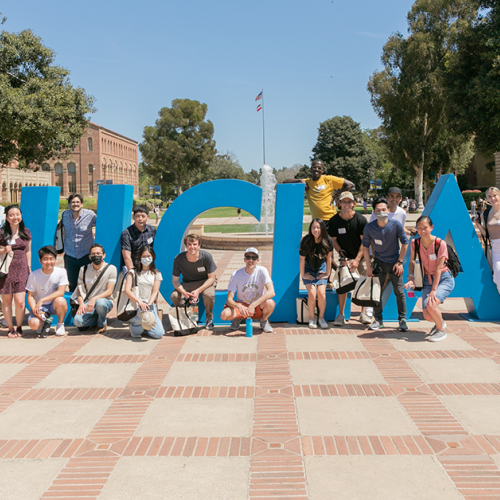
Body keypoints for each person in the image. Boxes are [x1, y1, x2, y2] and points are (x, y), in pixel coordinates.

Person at [405, 216, 455, 342]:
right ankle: (440, 323)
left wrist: (434, 290)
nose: (422, 231)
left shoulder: (440, 244)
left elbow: (438, 268)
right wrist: (410, 278)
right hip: (427, 280)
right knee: (427, 316)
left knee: (431, 305)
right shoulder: (414, 243)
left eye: (425, 228)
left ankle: (441, 331)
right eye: (419, 228)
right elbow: (411, 261)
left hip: (444, 279)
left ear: (431, 228)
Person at [363, 198, 409, 331]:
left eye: (384, 209)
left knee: (399, 292)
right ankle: (378, 320)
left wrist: (400, 262)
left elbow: (405, 243)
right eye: (378, 210)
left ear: (388, 211)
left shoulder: (396, 225)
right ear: (374, 212)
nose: (381, 212)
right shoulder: (369, 227)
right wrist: (369, 266)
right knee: (376, 293)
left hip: (395, 263)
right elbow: (365, 247)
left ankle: (402, 320)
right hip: (379, 264)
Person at [328, 192, 372, 325]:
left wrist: (357, 259)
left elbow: (365, 242)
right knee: (342, 287)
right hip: (345, 258)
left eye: (349, 202)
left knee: (363, 284)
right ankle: (341, 315)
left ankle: (363, 314)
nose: (346, 204)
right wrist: (343, 256)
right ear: (339, 203)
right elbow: (334, 241)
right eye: (344, 202)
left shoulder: (360, 219)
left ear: (354, 204)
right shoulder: (334, 221)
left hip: (361, 257)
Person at [220, 247, 275, 333]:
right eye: (248, 257)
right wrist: (239, 306)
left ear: (257, 260)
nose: (251, 260)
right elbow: (229, 300)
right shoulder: (236, 274)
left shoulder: (262, 270)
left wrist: (253, 305)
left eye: (254, 258)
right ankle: (238, 318)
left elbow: (271, 291)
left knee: (270, 303)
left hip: (257, 306)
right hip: (242, 307)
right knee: (224, 315)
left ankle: (264, 321)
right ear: (244, 259)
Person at [284, 159, 354, 226]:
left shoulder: (328, 179)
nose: (316, 169)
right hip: (317, 221)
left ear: (322, 170)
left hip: (330, 218)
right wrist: (299, 180)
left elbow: (350, 185)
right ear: (311, 168)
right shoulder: (307, 182)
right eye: (314, 167)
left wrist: (334, 196)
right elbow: (285, 182)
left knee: (332, 238)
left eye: (319, 168)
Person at [171, 234, 217, 329]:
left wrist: (198, 291)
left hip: (205, 282)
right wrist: (184, 292)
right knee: (174, 296)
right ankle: (187, 317)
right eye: (189, 244)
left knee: (209, 295)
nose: (192, 247)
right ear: (186, 246)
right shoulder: (179, 259)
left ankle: (209, 318)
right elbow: (175, 281)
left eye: (194, 244)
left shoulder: (206, 257)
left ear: (199, 246)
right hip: (188, 282)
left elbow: (211, 278)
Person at [0, 205, 31, 337]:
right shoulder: (1, 233)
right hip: (5, 270)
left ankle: (19, 326)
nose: (15, 217)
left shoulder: (25, 232)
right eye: (11, 215)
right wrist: (3, 250)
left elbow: (28, 251)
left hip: (21, 268)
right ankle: (10, 328)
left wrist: (29, 267)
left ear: (21, 215)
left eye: (17, 214)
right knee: (7, 301)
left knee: (20, 301)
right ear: (6, 218)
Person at [72, 244, 117, 334]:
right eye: (93, 254)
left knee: (100, 303)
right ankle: (98, 317)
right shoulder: (83, 269)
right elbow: (79, 290)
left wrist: (94, 298)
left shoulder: (111, 269)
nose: (96, 256)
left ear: (103, 255)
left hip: (105, 301)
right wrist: (81, 304)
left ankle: (101, 323)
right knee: (77, 322)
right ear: (89, 256)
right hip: (88, 303)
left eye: (98, 253)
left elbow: (109, 291)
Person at [26, 246, 69, 337]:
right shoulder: (33, 275)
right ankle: (43, 323)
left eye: (51, 259)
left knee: (61, 300)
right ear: (40, 260)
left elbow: (61, 292)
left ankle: (60, 325)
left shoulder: (61, 272)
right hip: (40, 307)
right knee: (34, 325)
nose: (49, 262)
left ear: (55, 259)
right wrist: (35, 310)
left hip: (54, 304)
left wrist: (43, 300)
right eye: (45, 259)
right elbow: (30, 296)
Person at [124, 245, 165, 339]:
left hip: (149, 306)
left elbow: (155, 292)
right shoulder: (132, 272)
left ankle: (145, 327)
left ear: (153, 257)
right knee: (137, 334)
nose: (146, 259)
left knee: (159, 334)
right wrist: (140, 302)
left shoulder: (156, 273)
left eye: (148, 256)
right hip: (137, 305)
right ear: (139, 257)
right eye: (144, 256)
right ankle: (137, 325)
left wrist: (148, 305)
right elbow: (127, 290)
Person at [299, 218, 332, 329]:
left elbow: (329, 259)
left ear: (322, 228)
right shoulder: (306, 240)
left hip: (321, 268)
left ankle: (321, 318)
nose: (316, 230)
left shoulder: (328, 240)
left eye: (318, 227)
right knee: (312, 294)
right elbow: (302, 259)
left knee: (322, 294)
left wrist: (327, 273)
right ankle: (312, 318)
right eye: (313, 227)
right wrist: (303, 275)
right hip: (308, 268)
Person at [62, 194, 96, 292]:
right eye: (73, 202)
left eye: (77, 202)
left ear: (81, 204)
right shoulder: (64, 215)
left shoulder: (90, 215)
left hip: (86, 255)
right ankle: (74, 305)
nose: (75, 204)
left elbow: (102, 225)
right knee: (72, 283)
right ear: (69, 204)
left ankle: (86, 305)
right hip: (70, 256)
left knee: (88, 282)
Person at [475, 187, 500, 293]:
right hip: (495, 249)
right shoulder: (486, 213)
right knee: (498, 277)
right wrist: (477, 224)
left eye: (494, 195)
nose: (492, 198)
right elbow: (486, 234)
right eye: (490, 196)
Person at [121, 205, 156, 273]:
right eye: (137, 216)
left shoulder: (152, 230)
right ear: (133, 217)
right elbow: (126, 256)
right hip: (133, 266)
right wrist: (132, 273)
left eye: (143, 216)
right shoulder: (127, 233)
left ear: (147, 217)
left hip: (149, 266)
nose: (140, 219)